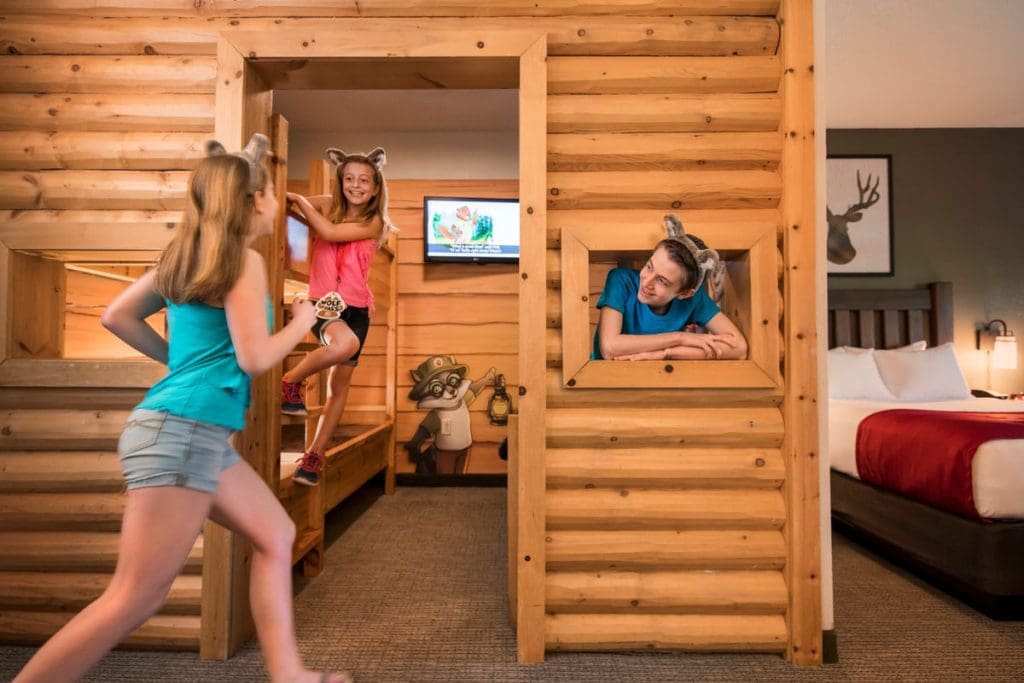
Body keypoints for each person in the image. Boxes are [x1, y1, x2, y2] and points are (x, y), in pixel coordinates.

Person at [14, 134, 351, 683]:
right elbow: (256, 357)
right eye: (268, 193)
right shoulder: (241, 262)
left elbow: (116, 316)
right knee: (134, 598)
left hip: (193, 434)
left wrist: (180, 364)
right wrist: (303, 321)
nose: (273, 204)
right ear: (250, 202)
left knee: (276, 535)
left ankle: (290, 675)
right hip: (182, 435)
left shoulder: (184, 256)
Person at [281, 147, 396, 486]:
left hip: (357, 307)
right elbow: (290, 200)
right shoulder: (329, 206)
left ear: (375, 188)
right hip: (325, 302)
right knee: (343, 345)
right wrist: (299, 200)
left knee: (338, 386)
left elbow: (329, 233)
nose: (355, 185)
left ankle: (314, 455)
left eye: (364, 180)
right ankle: (291, 381)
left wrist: (302, 201)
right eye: (349, 179)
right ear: (340, 181)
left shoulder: (374, 222)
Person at [593, 214, 748, 362]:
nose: (647, 282)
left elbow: (739, 348)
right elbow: (610, 348)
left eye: (662, 281)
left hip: (660, 379)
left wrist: (667, 353)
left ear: (685, 293)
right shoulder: (621, 280)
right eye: (649, 267)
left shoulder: (694, 298)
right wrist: (680, 338)